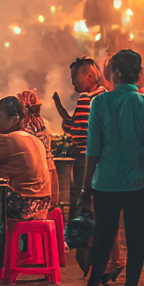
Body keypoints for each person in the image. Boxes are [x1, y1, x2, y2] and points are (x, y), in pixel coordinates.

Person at [78, 49, 144, 286]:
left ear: (113, 73)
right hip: (139, 183)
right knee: (136, 240)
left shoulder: (99, 103)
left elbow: (93, 150)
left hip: (105, 184)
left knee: (104, 236)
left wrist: (86, 186)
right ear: (138, 74)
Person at [53, 57, 107, 216]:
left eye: (74, 77)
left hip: (85, 157)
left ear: (89, 76)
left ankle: (77, 235)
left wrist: (66, 126)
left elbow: (81, 132)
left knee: (79, 196)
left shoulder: (86, 98)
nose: (73, 83)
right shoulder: (105, 95)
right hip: (103, 159)